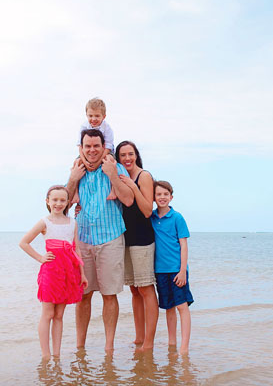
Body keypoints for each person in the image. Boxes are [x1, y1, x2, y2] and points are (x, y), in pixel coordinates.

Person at [66, 128, 135, 352]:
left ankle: (109, 348)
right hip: (83, 239)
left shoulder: (115, 166)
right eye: (88, 146)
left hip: (111, 238)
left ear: (103, 146)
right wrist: (72, 180)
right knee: (83, 295)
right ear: (82, 147)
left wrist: (113, 175)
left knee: (109, 295)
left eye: (96, 146)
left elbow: (128, 200)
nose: (92, 150)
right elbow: (62, 206)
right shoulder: (76, 169)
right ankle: (80, 347)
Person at [19, 185, 88, 358]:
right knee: (48, 313)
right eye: (55, 200)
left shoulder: (72, 223)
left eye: (62, 200)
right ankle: (46, 354)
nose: (58, 203)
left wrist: (83, 273)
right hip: (51, 270)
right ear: (47, 201)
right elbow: (24, 242)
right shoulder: (45, 222)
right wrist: (40, 258)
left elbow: (77, 249)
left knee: (59, 314)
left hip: (69, 270)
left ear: (67, 203)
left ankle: (56, 354)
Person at [115, 140, 159, 352]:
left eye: (130, 154)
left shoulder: (144, 176)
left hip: (143, 239)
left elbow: (147, 210)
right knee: (134, 290)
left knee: (146, 289)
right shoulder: (120, 177)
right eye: (122, 155)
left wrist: (133, 186)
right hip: (126, 239)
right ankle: (139, 337)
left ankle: (149, 342)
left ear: (136, 155)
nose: (127, 158)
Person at [151, 180, 193, 356]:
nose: (162, 197)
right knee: (168, 308)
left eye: (165, 194)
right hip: (160, 271)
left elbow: (183, 245)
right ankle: (171, 343)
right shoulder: (151, 217)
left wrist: (182, 270)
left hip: (177, 270)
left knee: (182, 306)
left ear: (171, 197)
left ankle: (184, 347)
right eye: (159, 194)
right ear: (154, 197)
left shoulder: (177, 217)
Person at [72, 98, 117, 202]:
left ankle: (114, 189)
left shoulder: (107, 128)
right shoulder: (84, 126)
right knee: (76, 162)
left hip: (106, 151)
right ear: (86, 115)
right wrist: (84, 160)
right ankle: (75, 193)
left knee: (111, 161)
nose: (93, 119)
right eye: (90, 116)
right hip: (87, 152)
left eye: (97, 116)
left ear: (103, 116)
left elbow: (108, 146)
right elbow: (80, 146)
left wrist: (98, 162)